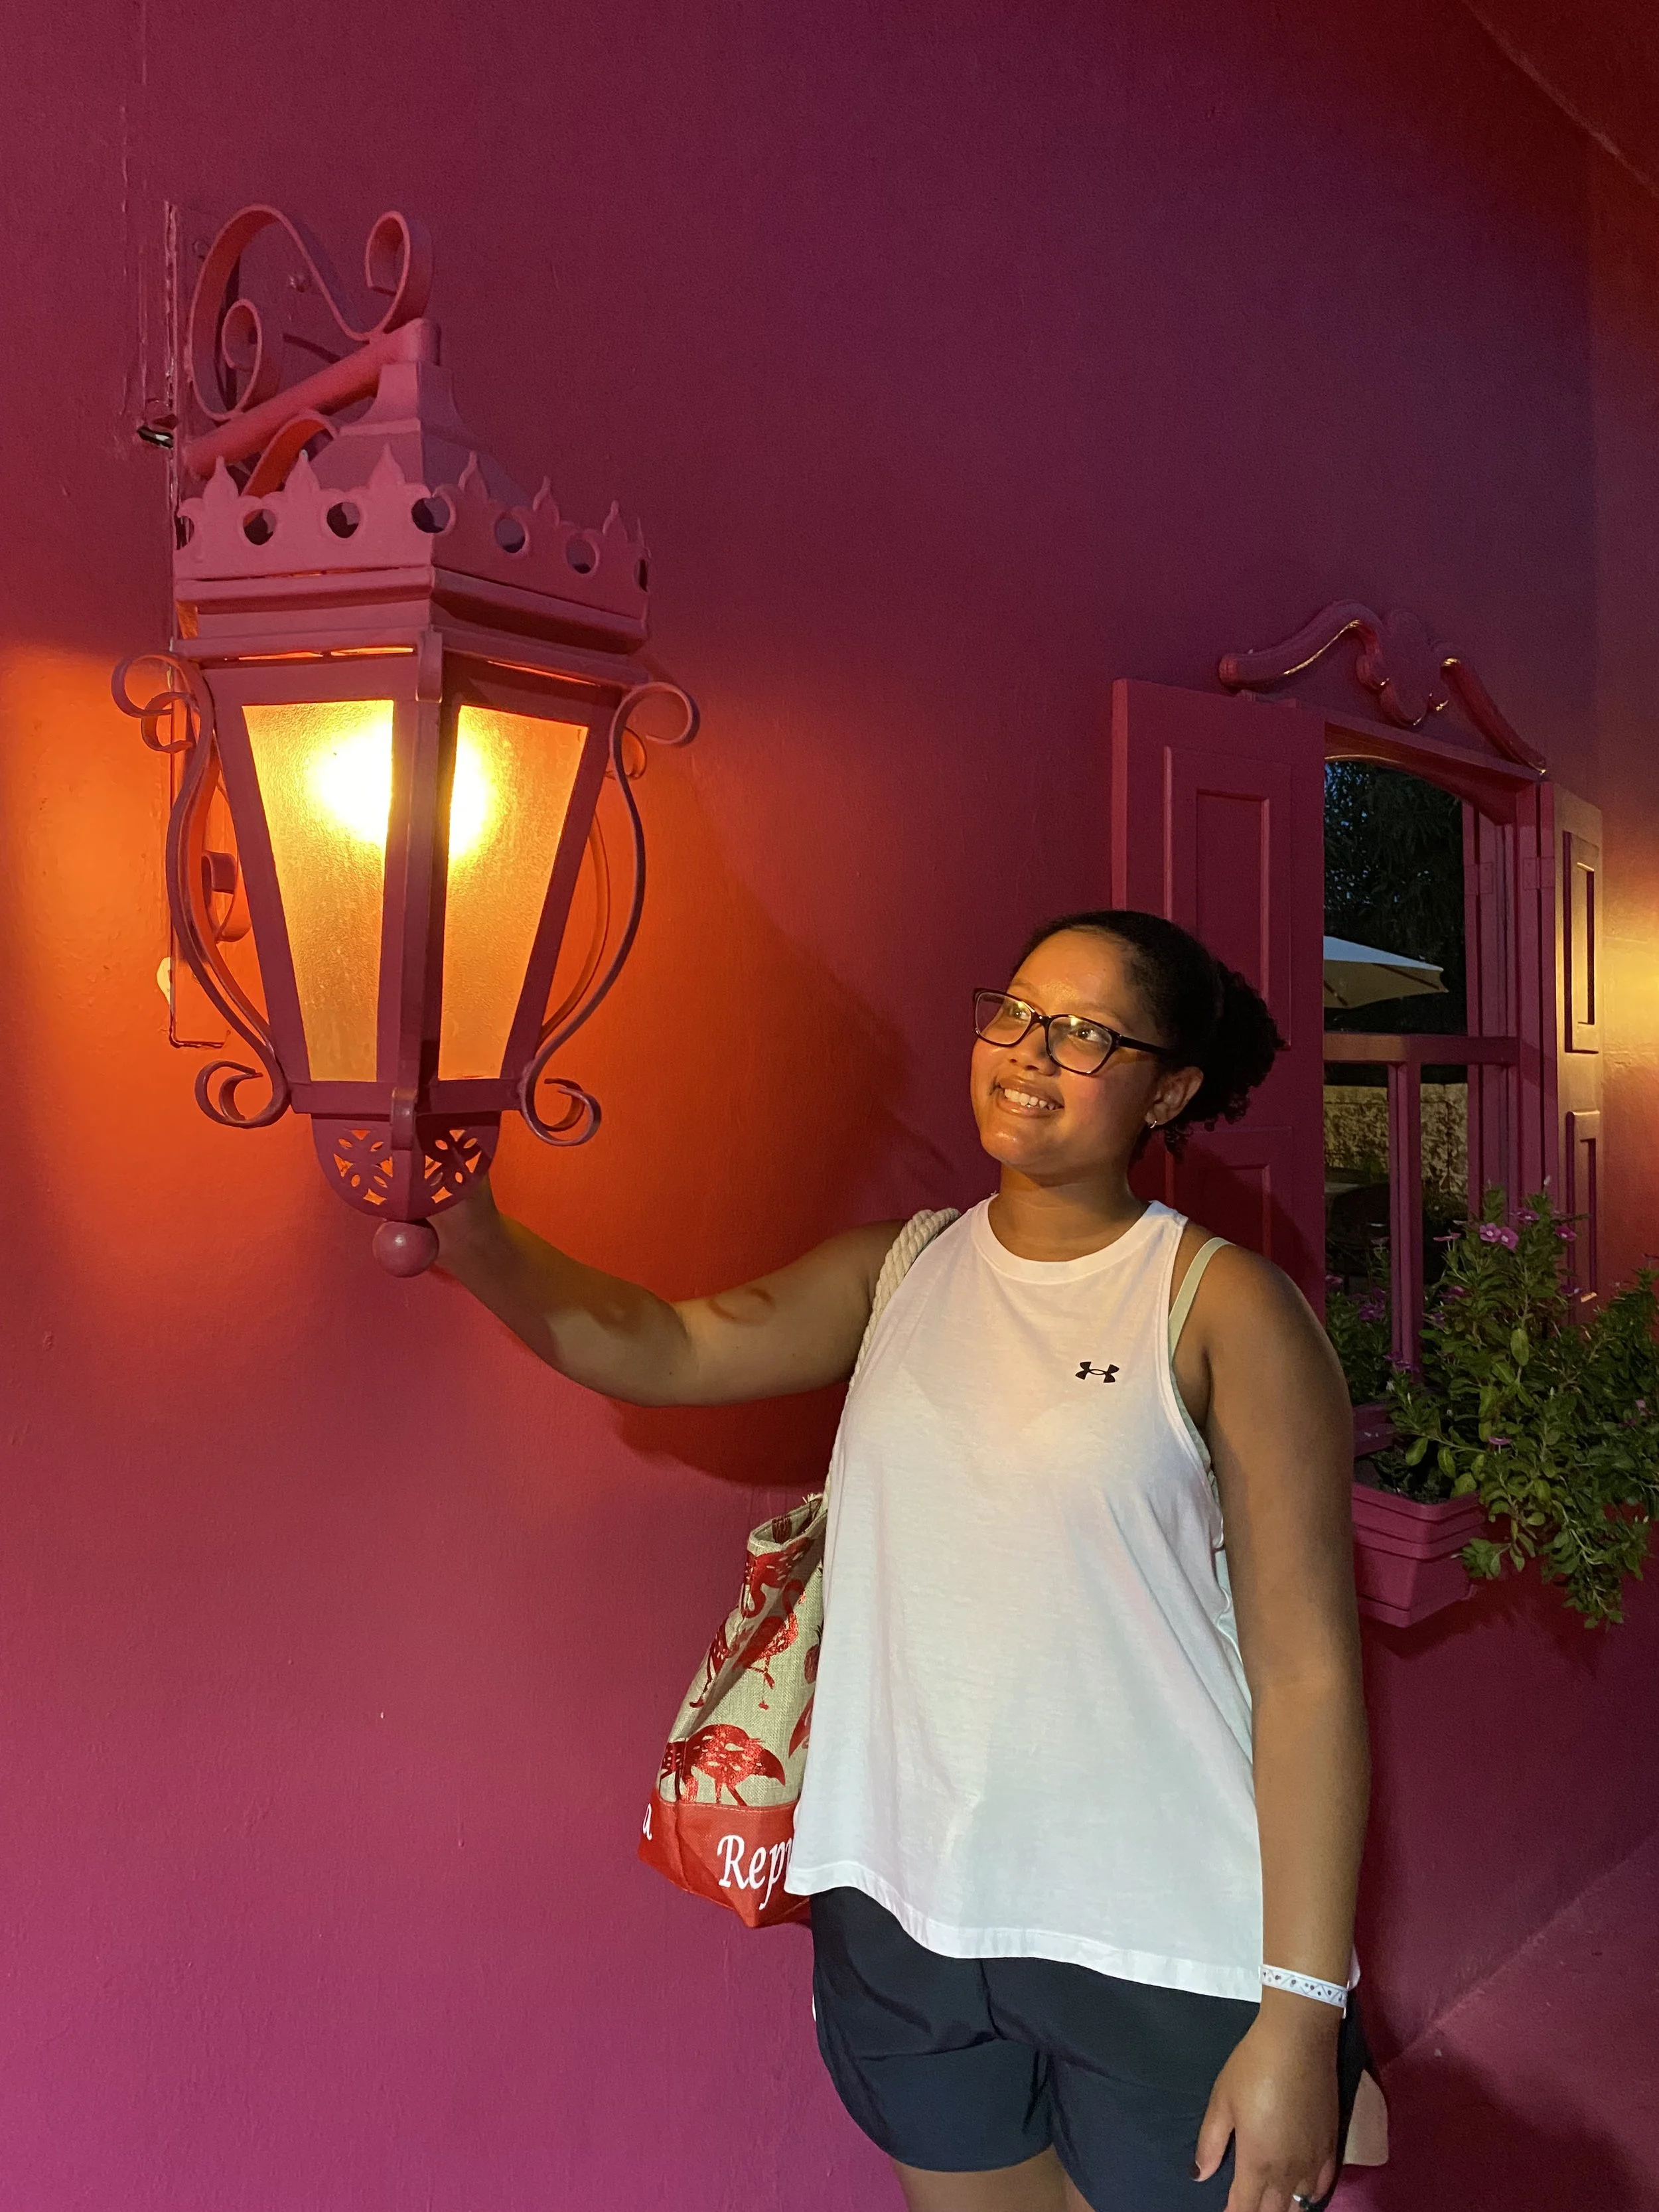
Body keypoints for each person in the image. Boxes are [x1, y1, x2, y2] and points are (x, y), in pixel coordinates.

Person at [431, 909, 1370, 2212]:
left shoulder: (1219, 1307)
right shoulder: (899, 1270)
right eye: (1015, 1009)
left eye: (1087, 1032)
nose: (1030, 1048)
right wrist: (466, 1226)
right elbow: (659, 1346)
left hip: (1155, 1927)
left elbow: (1308, 1672)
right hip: (900, 1913)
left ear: (1167, 1087)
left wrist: (1300, 2009)